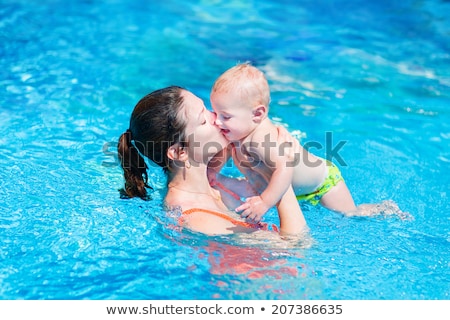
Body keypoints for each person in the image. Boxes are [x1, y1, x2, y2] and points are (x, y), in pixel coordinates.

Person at [210, 62, 404, 222]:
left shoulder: (260, 139)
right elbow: (225, 151)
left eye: (225, 116)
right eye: (215, 113)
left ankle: (382, 208)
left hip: (323, 185)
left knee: (350, 215)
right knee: (244, 183)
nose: (217, 121)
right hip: (294, 192)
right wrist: (212, 172)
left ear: (258, 114)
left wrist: (264, 202)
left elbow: (284, 167)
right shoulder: (237, 131)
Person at [117, 86, 308, 236]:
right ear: (178, 152)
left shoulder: (210, 182)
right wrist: (281, 169)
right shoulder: (197, 218)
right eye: (203, 120)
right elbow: (295, 248)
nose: (216, 118)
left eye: (207, 109)